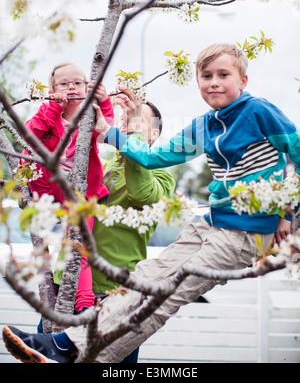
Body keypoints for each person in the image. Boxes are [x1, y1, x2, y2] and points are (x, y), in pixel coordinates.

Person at [3, 43, 300, 364]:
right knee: (143, 282)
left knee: (167, 295)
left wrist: (288, 215)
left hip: (246, 229)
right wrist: (108, 130)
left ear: (243, 80)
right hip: (210, 223)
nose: (214, 82)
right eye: (206, 75)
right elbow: (154, 157)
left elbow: (296, 154)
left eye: (223, 75)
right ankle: (65, 347)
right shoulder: (203, 126)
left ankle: (71, 351)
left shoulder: (258, 112)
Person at [52, 97, 176, 363]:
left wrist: (130, 139)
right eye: (123, 120)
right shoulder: (103, 163)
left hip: (113, 297)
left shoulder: (163, 175)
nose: (126, 125)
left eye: (135, 120)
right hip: (69, 288)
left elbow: (142, 195)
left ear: (153, 133)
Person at [21, 63, 114, 314]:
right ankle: (59, 304)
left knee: (78, 249)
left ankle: (84, 305)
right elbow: (28, 138)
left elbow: (108, 133)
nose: (71, 87)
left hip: (82, 194)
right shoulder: (47, 114)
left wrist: (104, 103)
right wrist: (53, 108)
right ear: (52, 90)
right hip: (49, 192)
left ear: (88, 87)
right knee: (23, 158)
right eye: (63, 84)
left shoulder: (92, 116)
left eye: (77, 82)